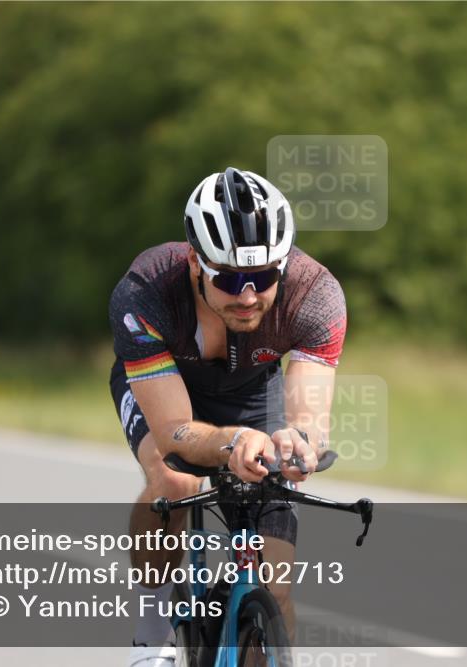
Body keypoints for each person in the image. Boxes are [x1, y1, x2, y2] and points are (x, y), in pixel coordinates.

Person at [108, 167, 347, 666]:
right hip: (168, 387)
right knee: (173, 480)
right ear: (196, 259)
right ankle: (151, 635)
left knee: (275, 589)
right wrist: (232, 441)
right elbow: (174, 430)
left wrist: (298, 443)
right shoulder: (146, 291)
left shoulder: (315, 296)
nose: (247, 295)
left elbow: (308, 414)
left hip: (251, 391)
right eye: (230, 277)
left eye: (262, 278)